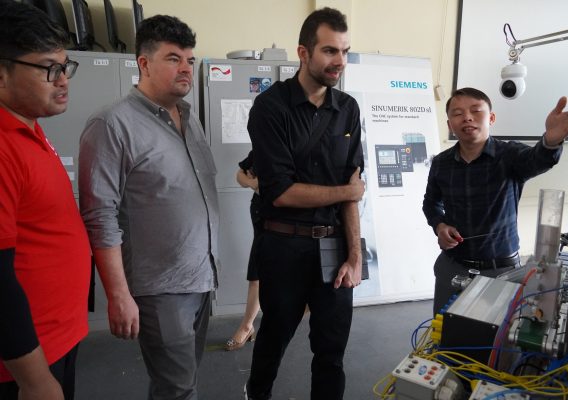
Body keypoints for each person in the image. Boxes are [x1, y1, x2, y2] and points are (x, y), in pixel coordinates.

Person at [77, 15, 219, 400]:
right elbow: (99, 215)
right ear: (144, 63)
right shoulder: (112, 124)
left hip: (202, 277)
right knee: (178, 389)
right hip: (161, 289)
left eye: (190, 60)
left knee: (182, 383)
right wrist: (118, 295)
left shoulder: (190, 118)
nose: (186, 68)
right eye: (174, 58)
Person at [245, 7, 365, 400]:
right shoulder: (270, 108)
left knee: (331, 353)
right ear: (303, 52)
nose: (340, 61)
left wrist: (355, 255)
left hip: (333, 246)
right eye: (330, 51)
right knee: (273, 341)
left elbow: (352, 188)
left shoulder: (348, 109)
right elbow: (281, 192)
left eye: (345, 51)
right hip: (283, 247)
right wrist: (346, 192)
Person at [0, 3, 91, 400]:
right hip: (24, 362)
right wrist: (34, 381)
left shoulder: (30, 130)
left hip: (56, 337)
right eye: (49, 69)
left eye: (65, 67)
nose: (63, 80)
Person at [423, 87, 568, 315]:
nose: (467, 117)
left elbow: (537, 160)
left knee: (496, 335)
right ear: (449, 124)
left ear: (491, 118)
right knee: (444, 332)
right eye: (457, 113)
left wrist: (550, 142)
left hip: (501, 271)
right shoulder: (441, 163)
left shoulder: (509, 155)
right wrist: (440, 225)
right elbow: (430, 202)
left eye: (476, 110)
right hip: (452, 267)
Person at [226, 151, 260, 351]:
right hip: (263, 214)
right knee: (257, 271)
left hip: (290, 218)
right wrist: (253, 183)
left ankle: (248, 326)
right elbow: (240, 174)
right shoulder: (264, 146)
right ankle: (247, 326)